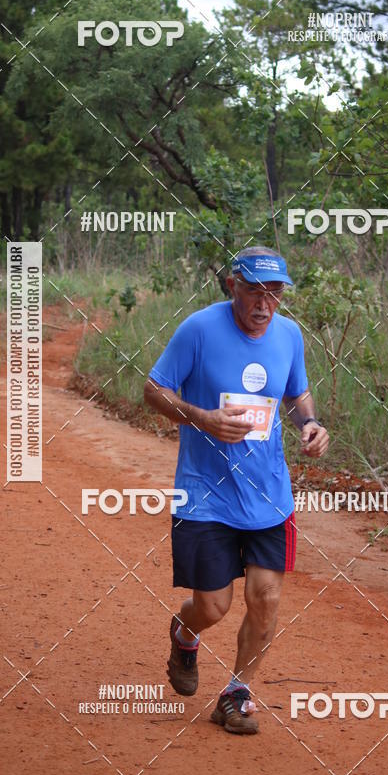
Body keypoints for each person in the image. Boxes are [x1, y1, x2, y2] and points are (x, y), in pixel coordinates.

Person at [143, 247, 329, 735]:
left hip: (269, 494)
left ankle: (236, 693)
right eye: (253, 290)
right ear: (232, 286)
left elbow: (296, 392)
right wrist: (202, 418)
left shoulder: (289, 335)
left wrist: (309, 423)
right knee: (213, 607)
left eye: (275, 292)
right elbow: (153, 390)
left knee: (265, 599)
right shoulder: (199, 330)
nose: (264, 303)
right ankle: (185, 634)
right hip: (205, 493)